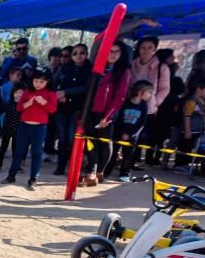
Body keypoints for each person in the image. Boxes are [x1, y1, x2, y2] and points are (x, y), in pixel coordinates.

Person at [82, 41, 132, 186]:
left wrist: (108, 116)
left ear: (122, 54)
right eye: (110, 51)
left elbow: (120, 96)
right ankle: (92, 169)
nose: (112, 54)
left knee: (105, 142)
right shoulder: (98, 67)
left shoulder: (124, 71)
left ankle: (99, 172)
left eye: (116, 51)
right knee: (90, 140)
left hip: (107, 112)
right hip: (91, 110)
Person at [3, 68, 57, 190]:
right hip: (24, 125)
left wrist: (43, 102)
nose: (38, 84)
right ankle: (11, 176)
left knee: (36, 153)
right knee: (18, 152)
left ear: (47, 82)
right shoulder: (27, 92)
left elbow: (53, 109)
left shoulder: (50, 93)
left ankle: (33, 179)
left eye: (41, 82)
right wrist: (28, 104)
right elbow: (19, 108)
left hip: (39, 127)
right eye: (36, 81)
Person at [51, 43, 92, 175]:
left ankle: (76, 165)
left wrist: (65, 92)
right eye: (75, 53)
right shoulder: (64, 68)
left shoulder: (90, 69)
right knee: (62, 138)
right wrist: (59, 93)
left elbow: (86, 88)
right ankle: (60, 167)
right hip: (62, 107)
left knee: (72, 138)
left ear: (87, 54)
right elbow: (52, 82)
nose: (78, 56)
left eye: (82, 53)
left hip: (78, 108)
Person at [130, 36, 171, 165]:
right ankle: (127, 160)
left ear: (154, 49)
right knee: (128, 132)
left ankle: (134, 161)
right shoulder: (132, 64)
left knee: (142, 135)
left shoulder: (162, 68)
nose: (146, 50)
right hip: (131, 103)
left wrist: (155, 102)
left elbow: (165, 88)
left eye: (150, 48)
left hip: (149, 107)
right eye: (143, 47)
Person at [106, 80, 153, 182]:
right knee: (112, 152)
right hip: (119, 132)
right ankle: (106, 172)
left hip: (132, 135)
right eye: (149, 92)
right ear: (140, 92)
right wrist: (121, 132)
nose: (150, 95)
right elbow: (118, 119)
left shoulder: (144, 105)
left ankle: (124, 174)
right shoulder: (125, 102)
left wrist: (131, 134)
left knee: (128, 155)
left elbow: (142, 122)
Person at [145, 48, 183, 166]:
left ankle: (153, 157)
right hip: (160, 106)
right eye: (171, 57)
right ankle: (152, 158)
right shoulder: (158, 71)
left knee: (158, 135)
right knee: (155, 134)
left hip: (166, 107)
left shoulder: (173, 76)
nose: (174, 60)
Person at [175, 79, 205, 173]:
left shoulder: (201, 100)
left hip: (197, 130)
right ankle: (180, 166)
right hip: (190, 130)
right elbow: (187, 117)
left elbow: (202, 114)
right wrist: (187, 130)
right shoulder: (191, 101)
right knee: (185, 148)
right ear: (199, 89)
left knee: (191, 148)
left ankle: (186, 166)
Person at [0, 84, 24, 173]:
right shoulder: (8, 103)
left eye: (21, 92)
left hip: (18, 130)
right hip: (7, 129)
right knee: (3, 148)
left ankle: (16, 166)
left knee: (16, 149)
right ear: (13, 93)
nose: (18, 94)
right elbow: (0, 110)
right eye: (16, 92)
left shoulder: (24, 105)